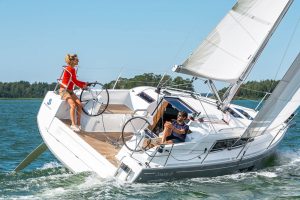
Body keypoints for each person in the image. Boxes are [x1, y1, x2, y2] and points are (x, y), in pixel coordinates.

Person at [59, 54, 88, 132]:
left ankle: (78, 124)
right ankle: (73, 125)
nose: (78, 60)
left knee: (79, 104)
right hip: (64, 90)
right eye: (76, 59)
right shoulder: (70, 69)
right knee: (73, 105)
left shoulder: (72, 69)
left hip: (70, 91)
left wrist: (85, 83)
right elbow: (75, 81)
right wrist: (83, 85)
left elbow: (75, 81)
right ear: (72, 61)